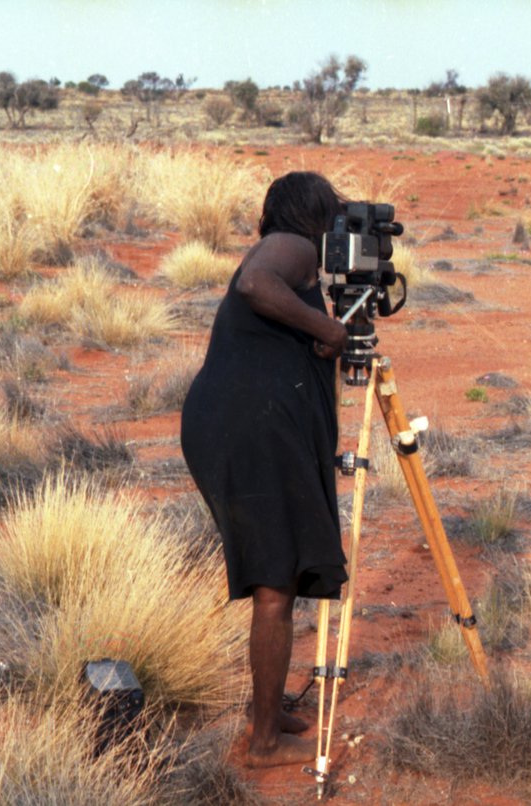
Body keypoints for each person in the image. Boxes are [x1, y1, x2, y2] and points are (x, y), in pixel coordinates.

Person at [181, 172, 351, 768]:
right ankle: (264, 745)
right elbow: (255, 283)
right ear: (311, 213)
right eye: (331, 211)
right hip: (249, 429)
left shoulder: (292, 251)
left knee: (283, 568)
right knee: (275, 583)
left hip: (241, 424)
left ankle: (268, 709)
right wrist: (328, 327)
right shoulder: (292, 244)